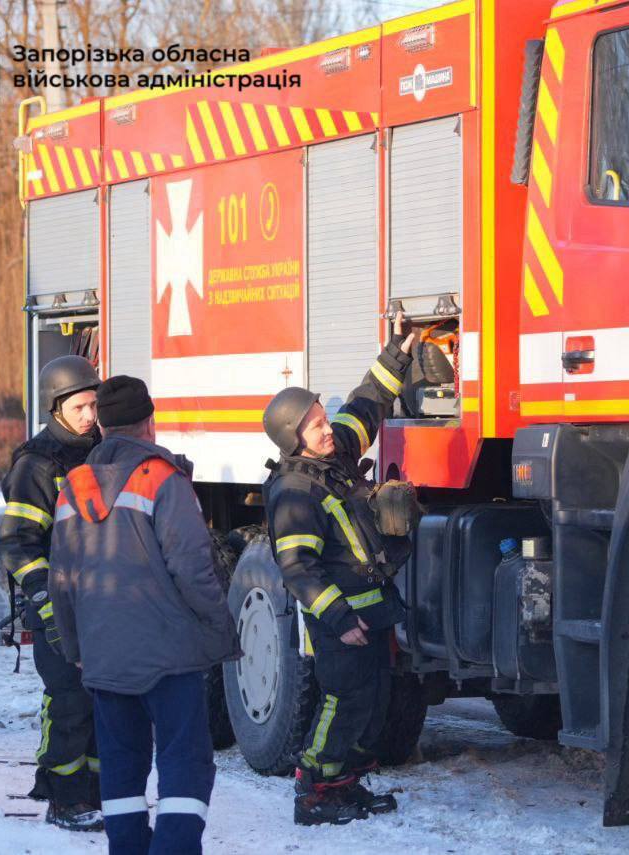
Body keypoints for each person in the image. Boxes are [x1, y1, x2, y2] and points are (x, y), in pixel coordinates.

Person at [47, 376, 240, 855]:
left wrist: (76, 650)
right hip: (168, 657)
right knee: (185, 761)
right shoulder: (162, 478)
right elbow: (194, 569)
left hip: (105, 659)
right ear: (149, 423)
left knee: (120, 765)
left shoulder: (72, 488)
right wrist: (221, 631)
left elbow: (62, 582)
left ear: (103, 428)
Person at [262, 313, 418, 826]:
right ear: (293, 438)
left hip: (369, 611)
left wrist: (396, 354)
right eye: (316, 424)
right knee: (342, 701)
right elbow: (298, 568)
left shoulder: (335, 456)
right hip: (342, 621)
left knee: (369, 705)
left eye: (322, 419)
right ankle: (315, 787)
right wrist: (340, 621)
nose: (327, 427)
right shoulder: (295, 492)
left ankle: (344, 786)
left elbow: (364, 407)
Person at [0, 354, 103, 831]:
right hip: (57, 604)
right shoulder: (37, 465)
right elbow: (17, 544)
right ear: (56, 407)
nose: (90, 416)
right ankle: (66, 800)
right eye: (80, 407)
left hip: (102, 603)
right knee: (70, 703)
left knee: (101, 704)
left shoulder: (101, 451)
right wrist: (45, 597)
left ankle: (93, 793)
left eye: (95, 405)